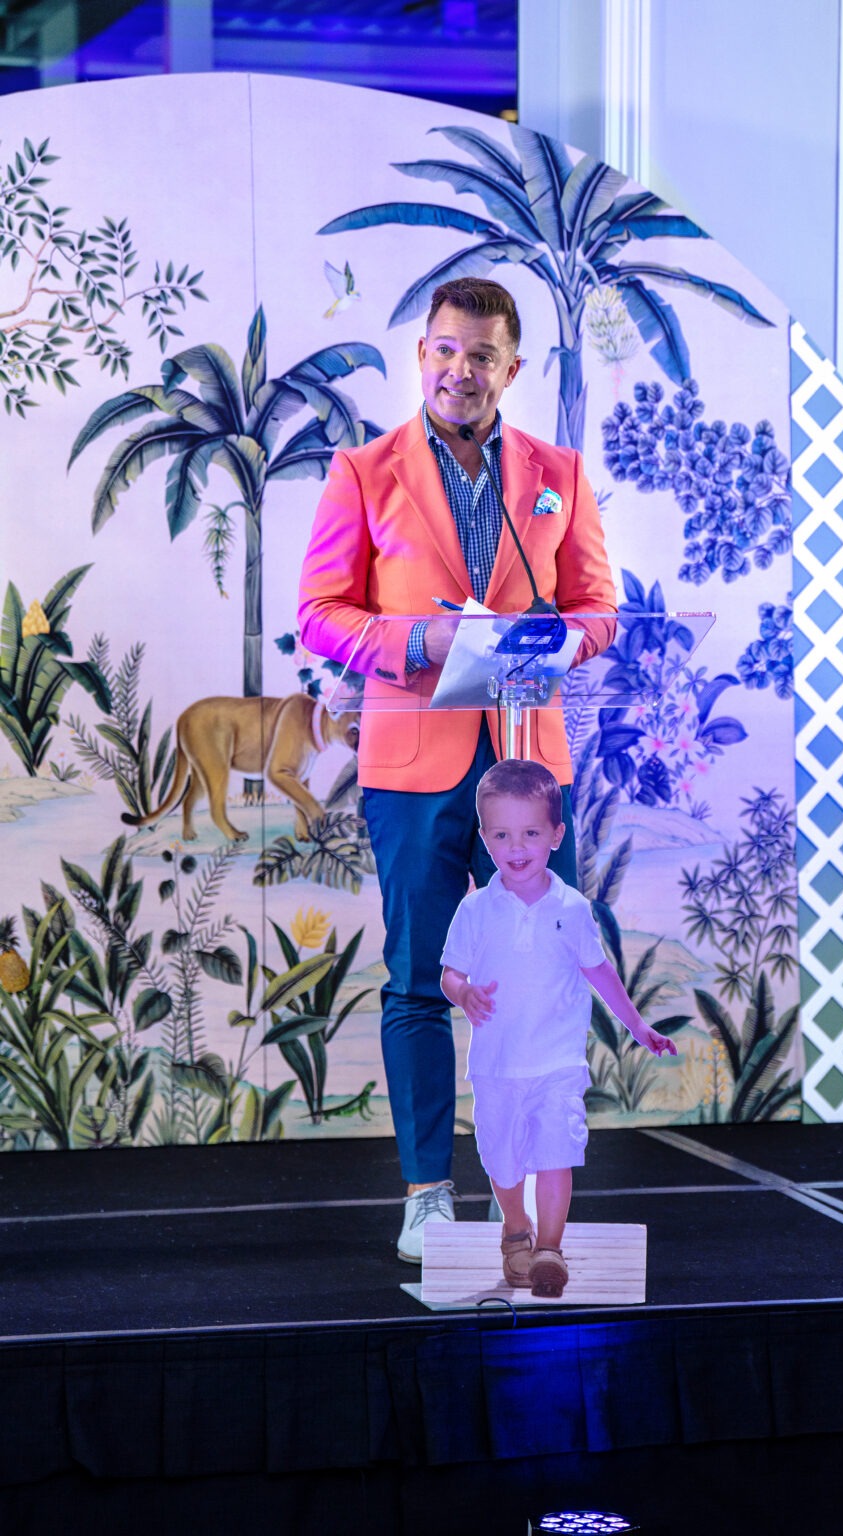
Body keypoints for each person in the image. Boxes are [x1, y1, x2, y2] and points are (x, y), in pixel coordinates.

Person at [297, 277, 618, 1262]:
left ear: (510, 369)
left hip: (527, 769)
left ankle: (527, 1194)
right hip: (412, 763)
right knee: (418, 982)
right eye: (444, 350)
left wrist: (558, 644)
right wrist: (417, 638)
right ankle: (428, 1195)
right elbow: (320, 613)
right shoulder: (363, 471)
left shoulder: (559, 474)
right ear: (421, 356)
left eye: (481, 355)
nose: (459, 370)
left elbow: (597, 606)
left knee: (538, 981)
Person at [440, 759, 677, 1298]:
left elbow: (600, 972)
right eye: (502, 835)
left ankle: (549, 1249)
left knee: (555, 1154)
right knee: (502, 1161)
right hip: (497, 1066)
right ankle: (515, 1229)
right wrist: (464, 992)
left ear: (556, 835)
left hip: (557, 1063)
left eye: (530, 833)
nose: (516, 847)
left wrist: (637, 1026)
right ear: (484, 838)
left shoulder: (572, 907)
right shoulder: (476, 909)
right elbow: (450, 974)